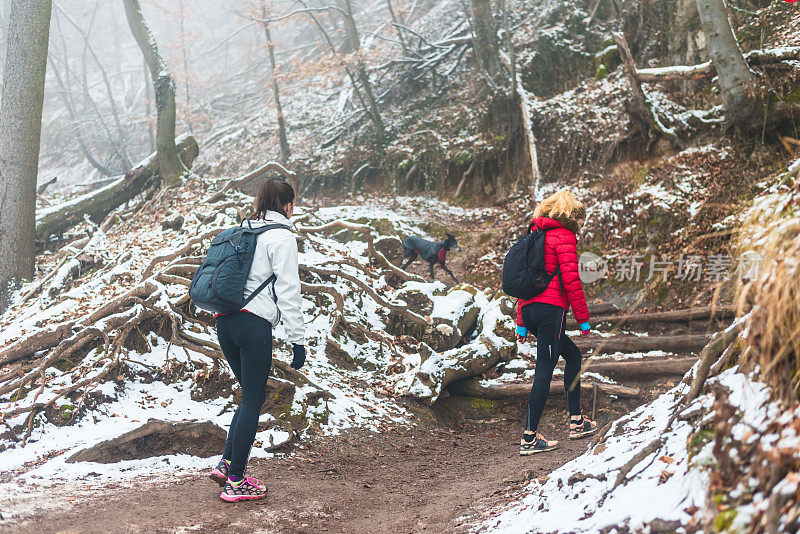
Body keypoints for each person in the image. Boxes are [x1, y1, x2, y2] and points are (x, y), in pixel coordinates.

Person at [208, 179, 307, 502]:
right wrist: (298, 340)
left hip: (225, 322)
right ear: (287, 206)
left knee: (248, 395)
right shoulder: (282, 237)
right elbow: (289, 292)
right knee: (253, 397)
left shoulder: (242, 231)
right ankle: (236, 481)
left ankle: (226, 463)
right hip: (253, 325)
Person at [515, 190, 597, 455]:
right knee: (544, 368)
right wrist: (583, 320)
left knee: (572, 356)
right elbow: (572, 281)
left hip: (531, 311)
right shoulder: (564, 236)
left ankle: (577, 421)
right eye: (581, 219)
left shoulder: (533, 235)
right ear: (571, 215)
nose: (581, 225)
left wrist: (521, 321)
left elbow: (524, 282)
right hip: (551, 312)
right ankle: (529, 437)